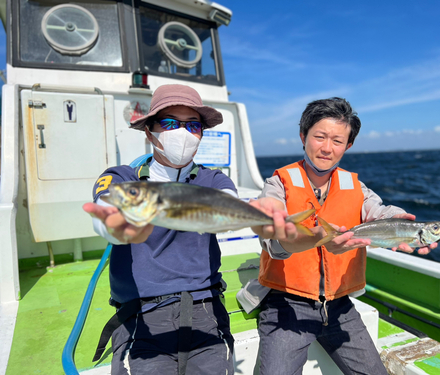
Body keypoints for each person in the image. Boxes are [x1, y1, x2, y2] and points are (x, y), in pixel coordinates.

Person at [83, 84, 295, 375]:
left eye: (192, 125)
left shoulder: (214, 180)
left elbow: (230, 205)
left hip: (205, 310)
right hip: (142, 317)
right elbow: (107, 208)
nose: (181, 133)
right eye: (170, 123)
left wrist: (265, 221)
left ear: (200, 134)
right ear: (149, 131)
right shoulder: (123, 178)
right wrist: (114, 227)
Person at [251, 97, 438, 375]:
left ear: (348, 146)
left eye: (338, 141)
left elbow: (380, 212)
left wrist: (400, 222)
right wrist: (306, 235)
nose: (327, 148)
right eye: (319, 137)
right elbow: (274, 242)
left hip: (340, 305)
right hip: (287, 303)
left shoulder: (356, 186)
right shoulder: (279, 183)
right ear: (303, 136)